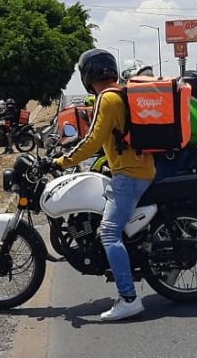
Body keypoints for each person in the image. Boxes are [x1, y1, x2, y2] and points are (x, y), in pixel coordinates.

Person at [54, 49, 155, 321]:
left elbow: (93, 140)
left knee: (109, 232)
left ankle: (129, 298)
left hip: (130, 173)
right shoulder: (120, 93)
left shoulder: (106, 98)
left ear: (88, 74)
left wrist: (62, 161)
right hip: (138, 168)